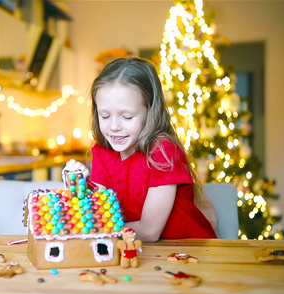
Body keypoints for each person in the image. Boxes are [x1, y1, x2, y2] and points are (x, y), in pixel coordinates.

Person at [64, 57, 217, 242]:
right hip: (132, 249)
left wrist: (95, 229)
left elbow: (149, 231)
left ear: (150, 111)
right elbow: (98, 213)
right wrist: (76, 185)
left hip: (184, 250)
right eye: (104, 116)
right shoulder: (102, 151)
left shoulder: (163, 151)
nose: (114, 126)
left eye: (127, 117)